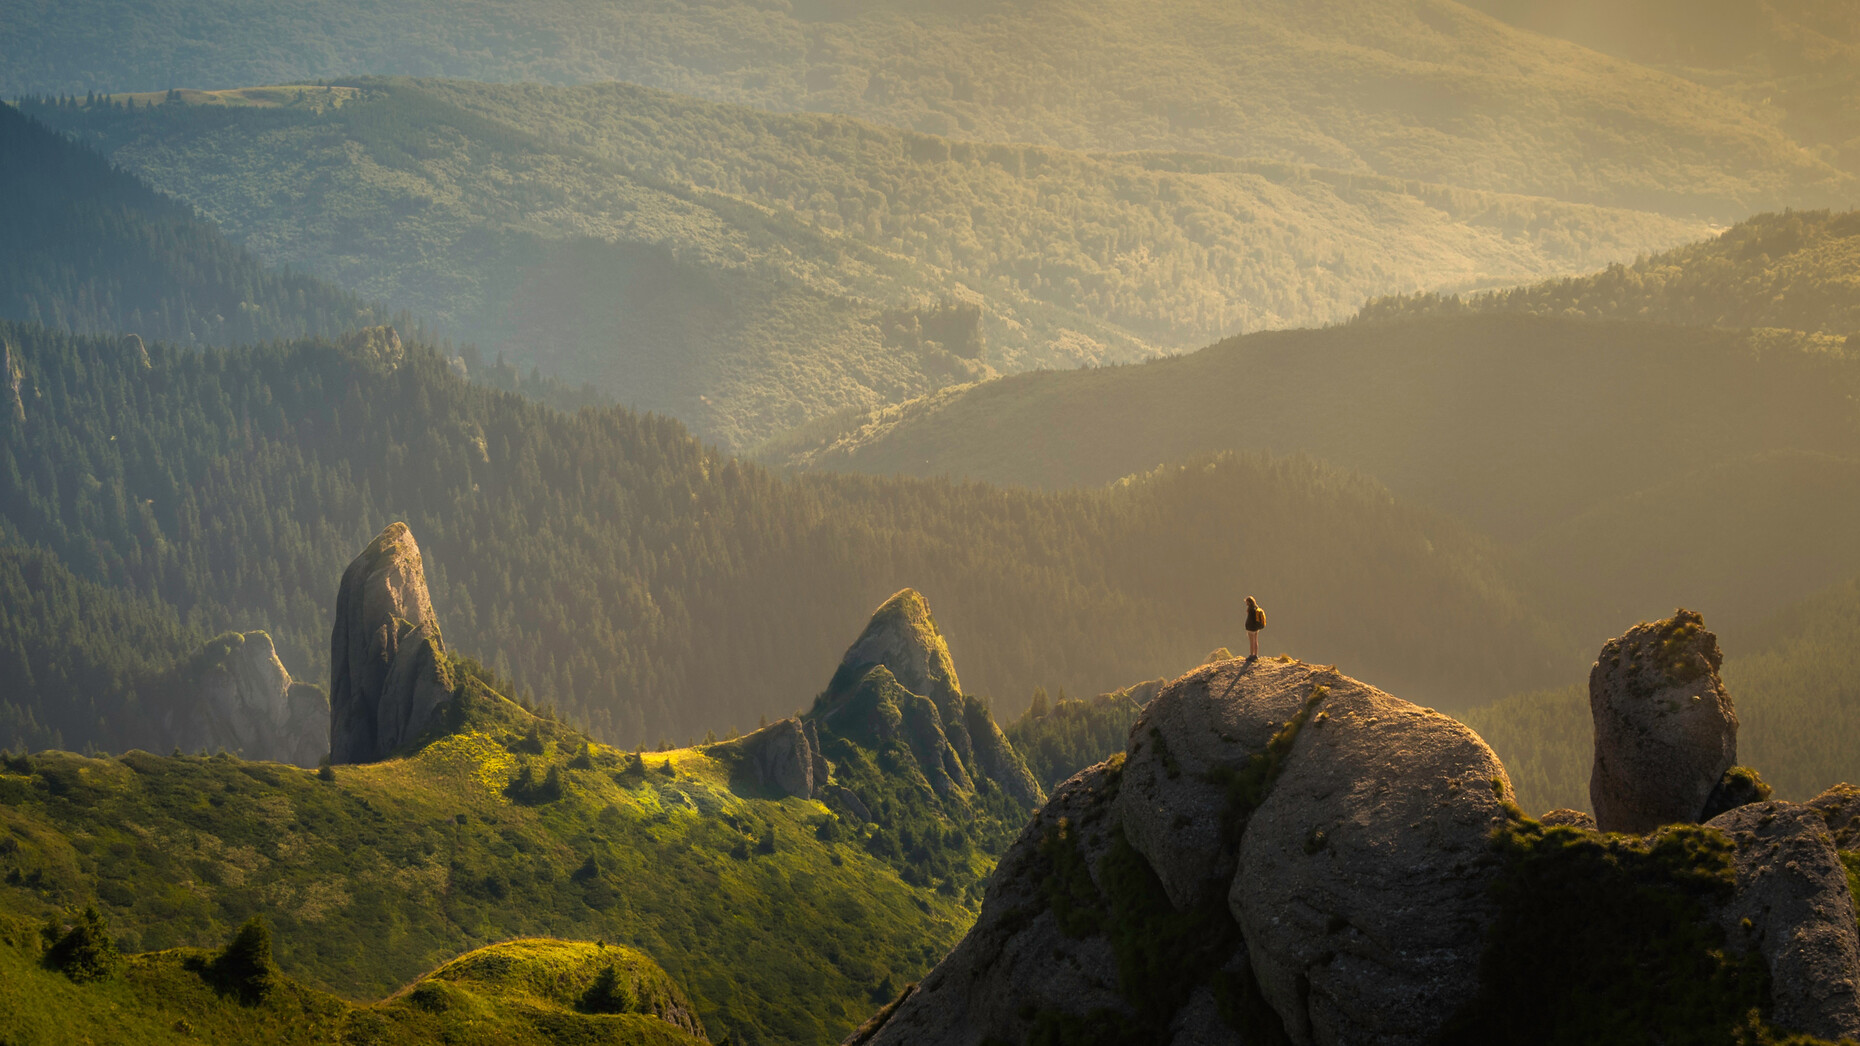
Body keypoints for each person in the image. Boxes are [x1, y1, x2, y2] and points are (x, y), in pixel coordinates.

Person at [1244, 596, 1266, 660]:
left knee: (1251, 642)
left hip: (1251, 628)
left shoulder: (1251, 609)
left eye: (1247, 602)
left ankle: (1251, 655)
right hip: (1256, 628)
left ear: (1249, 602)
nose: (1246, 603)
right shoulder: (1256, 607)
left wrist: (1247, 626)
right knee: (1255, 641)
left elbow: (1250, 620)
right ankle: (1255, 655)